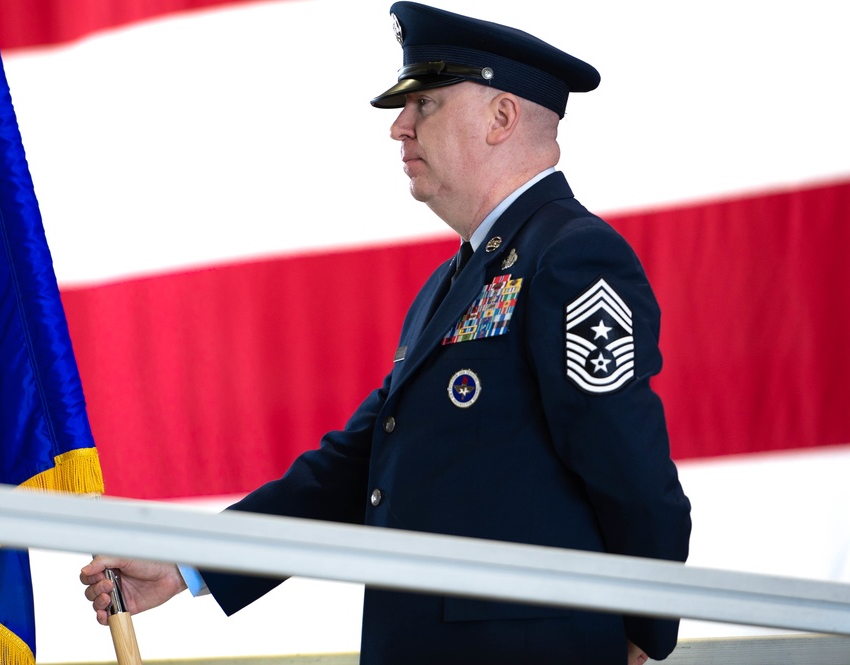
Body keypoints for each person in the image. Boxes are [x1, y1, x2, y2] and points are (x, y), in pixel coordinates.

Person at [81, 3, 691, 663]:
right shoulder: (450, 285)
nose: (399, 128)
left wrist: (639, 636)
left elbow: (631, 473)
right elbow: (355, 468)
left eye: (424, 104)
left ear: (501, 118)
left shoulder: (572, 257)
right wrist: (184, 564)